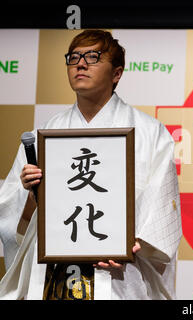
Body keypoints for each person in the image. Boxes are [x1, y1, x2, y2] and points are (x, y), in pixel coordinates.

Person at [0, 29, 182, 300]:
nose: (80, 64)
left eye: (92, 57)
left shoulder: (148, 132)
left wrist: (131, 248)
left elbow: (160, 209)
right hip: (56, 273)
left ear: (117, 73)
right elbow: (15, 217)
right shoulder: (46, 133)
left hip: (120, 274)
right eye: (73, 57)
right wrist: (30, 194)